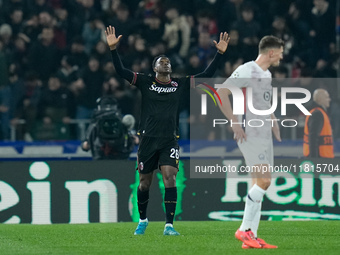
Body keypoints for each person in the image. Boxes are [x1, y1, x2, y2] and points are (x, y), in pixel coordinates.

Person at [105, 25, 229, 235]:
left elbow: (205, 74)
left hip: (169, 139)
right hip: (147, 139)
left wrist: (219, 54)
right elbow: (121, 71)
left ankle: (169, 225)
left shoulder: (178, 84)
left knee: (170, 176)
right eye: (162, 62)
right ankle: (143, 220)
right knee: (145, 183)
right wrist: (113, 50)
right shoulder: (145, 81)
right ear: (155, 68)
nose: (166, 63)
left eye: (168, 62)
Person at [217, 35, 284, 249]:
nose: (282, 55)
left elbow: (263, 103)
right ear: (271, 52)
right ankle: (244, 230)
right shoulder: (247, 69)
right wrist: (234, 122)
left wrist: (273, 120)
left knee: (259, 184)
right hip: (250, 133)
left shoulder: (267, 74)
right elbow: (221, 93)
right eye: (281, 51)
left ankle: (251, 237)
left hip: (263, 134)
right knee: (264, 182)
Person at [303, 88, 334, 158]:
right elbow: (313, 138)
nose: (329, 99)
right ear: (320, 99)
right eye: (327, 97)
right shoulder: (317, 114)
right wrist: (315, 160)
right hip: (321, 157)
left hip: (323, 157)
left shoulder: (319, 113)